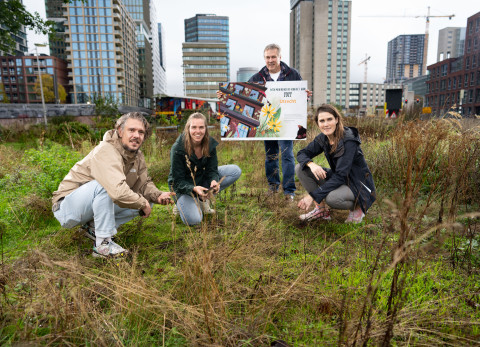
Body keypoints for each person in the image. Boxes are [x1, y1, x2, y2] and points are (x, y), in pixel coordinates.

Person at [52, 112, 175, 257]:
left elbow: (143, 183)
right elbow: (116, 191)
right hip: (67, 206)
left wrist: (158, 195)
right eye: (132, 130)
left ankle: (94, 229)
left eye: (141, 132)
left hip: (90, 204)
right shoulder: (106, 150)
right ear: (120, 131)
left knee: (148, 199)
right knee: (106, 186)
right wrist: (142, 203)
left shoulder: (137, 155)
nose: (136, 135)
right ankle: (103, 245)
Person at [248, 43, 311, 201]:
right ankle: (273, 187)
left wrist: (306, 96)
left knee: (287, 155)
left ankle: (289, 191)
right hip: (268, 122)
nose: (270, 60)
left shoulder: (293, 74)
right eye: (268, 57)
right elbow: (247, 94)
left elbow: (300, 98)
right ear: (264, 58)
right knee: (271, 156)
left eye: (273, 57)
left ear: (280, 57)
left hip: (287, 122)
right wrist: (225, 94)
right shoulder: (257, 78)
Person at [296, 104, 376, 223]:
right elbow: (302, 153)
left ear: (336, 120)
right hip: (341, 179)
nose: (326, 124)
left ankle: (358, 207)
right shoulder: (323, 138)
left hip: (358, 185)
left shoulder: (348, 140)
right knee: (300, 168)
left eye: (329, 119)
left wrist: (312, 196)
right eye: (322, 121)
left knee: (332, 198)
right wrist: (311, 164)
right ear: (318, 124)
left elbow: (341, 175)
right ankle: (321, 211)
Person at [168, 112, 242, 226]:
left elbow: (212, 169)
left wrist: (213, 180)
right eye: (194, 127)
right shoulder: (178, 148)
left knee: (235, 171)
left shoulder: (209, 143)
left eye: (201, 127)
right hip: (183, 187)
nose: (198, 131)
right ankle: (182, 203)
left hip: (201, 179)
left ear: (206, 129)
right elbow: (177, 181)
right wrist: (193, 188)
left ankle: (203, 199)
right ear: (188, 128)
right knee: (194, 220)